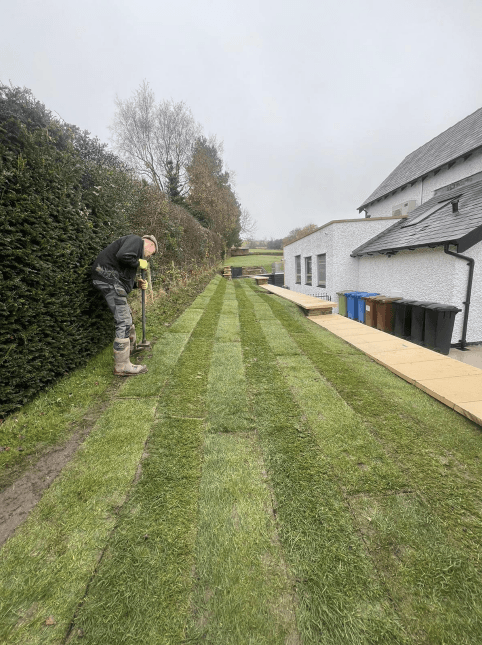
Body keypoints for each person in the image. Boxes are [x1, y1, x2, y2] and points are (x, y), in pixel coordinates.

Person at [92, 234, 158, 376]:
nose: (147, 257)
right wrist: (140, 263)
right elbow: (123, 256)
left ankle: (130, 349)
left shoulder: (133, 248)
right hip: (109, 279)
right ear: (151, 245)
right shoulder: (136, 240)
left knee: (127, 315)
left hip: (110, 279)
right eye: (150, 255)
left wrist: (136, 284)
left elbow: (122, 272)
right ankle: (121, 365)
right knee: (124, 320)